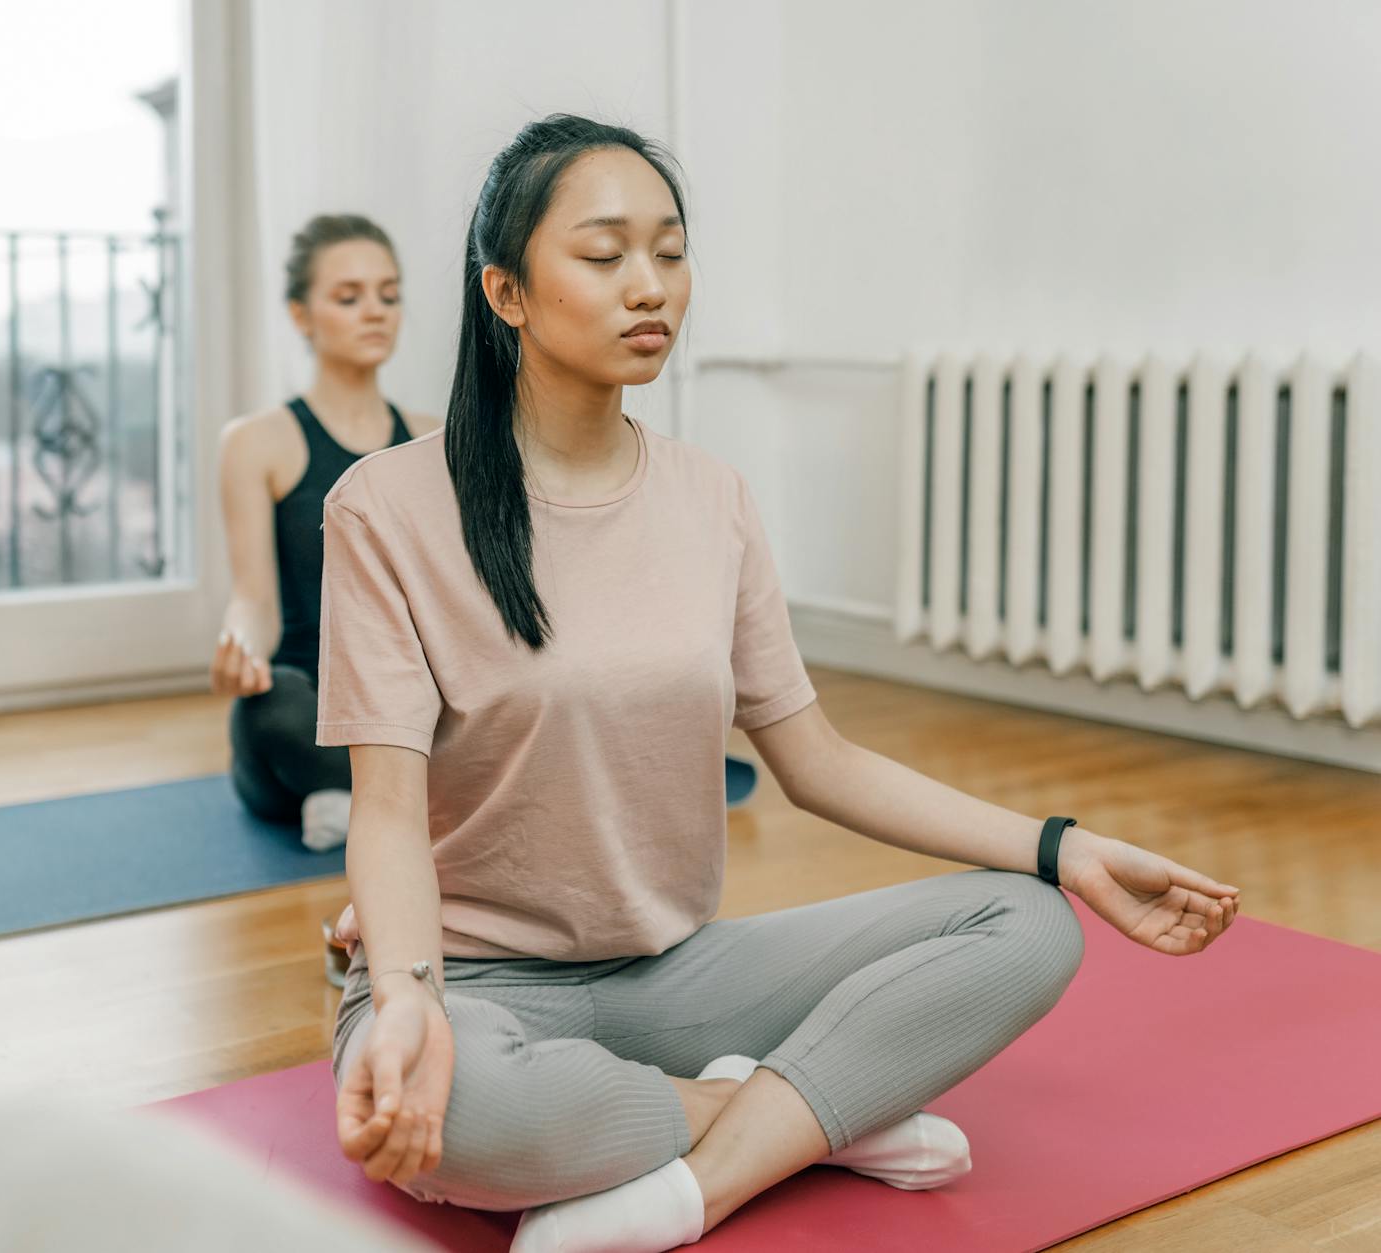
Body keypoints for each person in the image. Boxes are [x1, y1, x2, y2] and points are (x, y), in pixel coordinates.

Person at [317, 114, 1242, 1253]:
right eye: (603, 256)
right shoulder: (386, 507)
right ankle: (811, 1112)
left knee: (1027, 922)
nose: (648, 286)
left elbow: (816, 760)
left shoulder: (712, 498)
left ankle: (692, 1185)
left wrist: (1066, 845)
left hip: (674, 975)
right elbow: (385, 807)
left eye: (669, 250)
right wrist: (406, 993)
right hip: (472, 980)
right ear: (505, 293)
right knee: (451, 1120)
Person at [212, 214, 441, 850]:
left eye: (389, 295)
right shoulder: (256, 442)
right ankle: (389, 801)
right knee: (273, 709)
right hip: (302, 708)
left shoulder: (431, 437)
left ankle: (350, 801)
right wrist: (240, 646)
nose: (376, 311)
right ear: (301, 314)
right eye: (349, 297)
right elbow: (253, 598)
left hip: (395, 707)